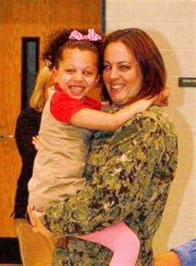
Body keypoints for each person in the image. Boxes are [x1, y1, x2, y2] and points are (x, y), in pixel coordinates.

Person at [30, 28, 178, 265]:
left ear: (146, 69)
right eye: (107, 67)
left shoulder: (147, 125)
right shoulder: (105, 114)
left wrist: (48, 218)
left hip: (102, 256)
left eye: (124, 67)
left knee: (127, 242)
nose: (113, 76)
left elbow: (106, 203)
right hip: (77, 254)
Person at [12, 65, 55, 265]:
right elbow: (33, 158)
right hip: (31, 207)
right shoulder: (29, 118)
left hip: (67, 209)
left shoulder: (79, 120)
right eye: (53, 87)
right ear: (43, 88)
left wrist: (46, 147)